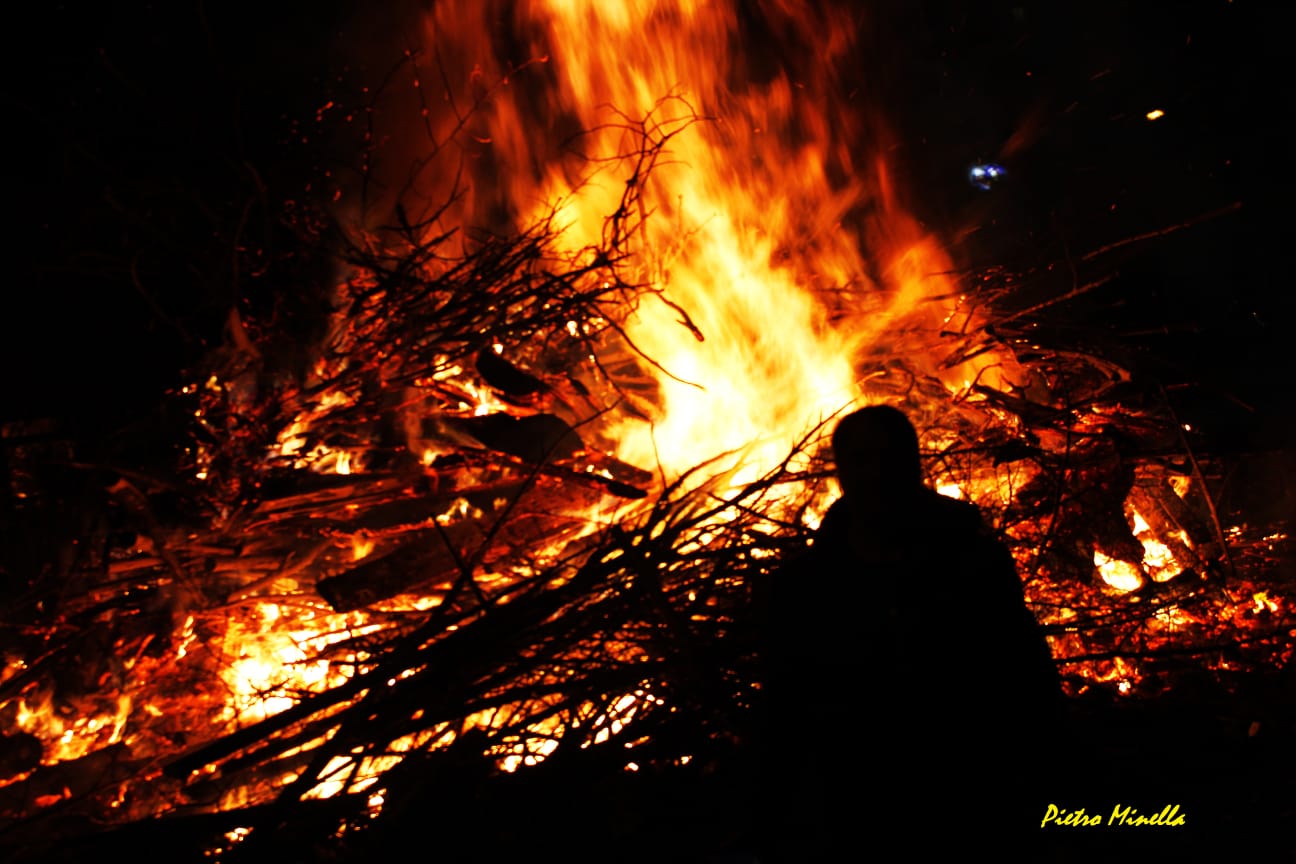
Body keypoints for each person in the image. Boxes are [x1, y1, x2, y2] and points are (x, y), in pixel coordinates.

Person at [761, 405, 1062, 859]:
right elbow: (784, 714)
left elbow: (1028, 684)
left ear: (914, 465)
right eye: (861, 460)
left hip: (972, 800)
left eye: (889, 458)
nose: (877, 474)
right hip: (853, 809)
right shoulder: (807, 586)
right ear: (842, 474)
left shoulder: (974, 565)